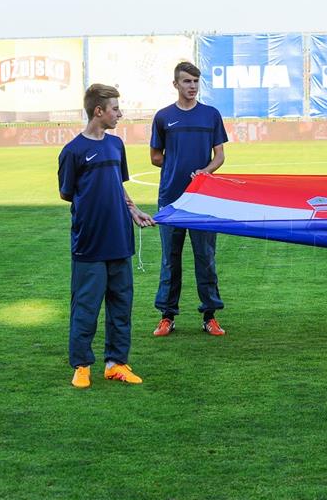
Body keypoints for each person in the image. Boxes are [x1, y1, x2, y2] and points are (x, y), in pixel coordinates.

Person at [58, 84, 155, 389]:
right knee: (86, 306)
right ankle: (82, 366)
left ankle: (116, 364)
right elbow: (68, 194)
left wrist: (133, 210)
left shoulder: (116, 146)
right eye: (114, 108)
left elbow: (117, 185)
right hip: (89, 243)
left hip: (120, 239)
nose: (119, 113)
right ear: (98, 111)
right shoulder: (72, 152)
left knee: (121, 304)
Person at [151, 62, 228, 337]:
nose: (192, 86)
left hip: (204, 201)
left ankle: (210, 316)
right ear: (176, 85)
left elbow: (219, 156)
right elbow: (155, 156)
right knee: (170, 260)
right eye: (186, 81)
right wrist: (176, 168)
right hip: (171, 199)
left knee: (205, 257)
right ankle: (167, 316)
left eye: (195, 81)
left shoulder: (211, 115)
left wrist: (204, 173)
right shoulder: (163, 117)